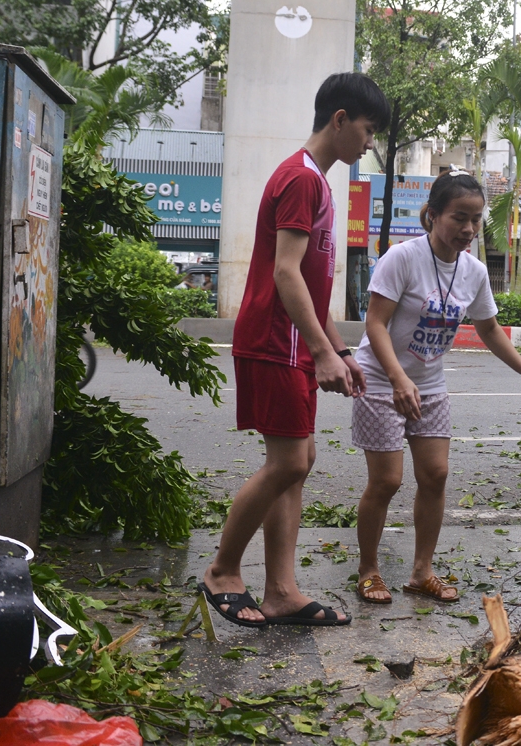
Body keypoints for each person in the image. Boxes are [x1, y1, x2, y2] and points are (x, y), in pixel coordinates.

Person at [200, 72, 389, 628]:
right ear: (339, 120)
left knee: (294, 467)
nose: (369, 142)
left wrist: (339, 349)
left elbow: (310, 284)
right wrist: (320, 350)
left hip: (292, 342)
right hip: (274, 340)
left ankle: (281, 591)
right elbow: (285, 273)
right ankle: (222, 571)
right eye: (368, 129)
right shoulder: (302, 179)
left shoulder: (315, 182)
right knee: (291, 461)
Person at [353, 171, 521, 604]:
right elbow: (375, 323)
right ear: (432, 215)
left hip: (428, 382)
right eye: (458, 217)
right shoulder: (402, 258)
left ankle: (421, 571)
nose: (468, 229)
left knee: (436, 474)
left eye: (475, 220)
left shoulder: (474, 271)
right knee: (387, 480)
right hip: (380, 378)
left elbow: (489, 328)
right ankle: (369, 570)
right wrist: (397, 377)